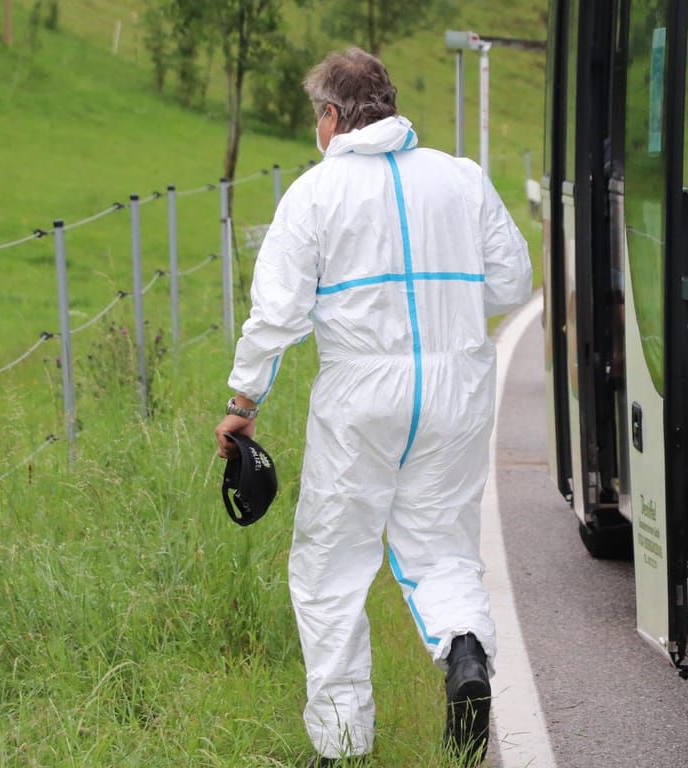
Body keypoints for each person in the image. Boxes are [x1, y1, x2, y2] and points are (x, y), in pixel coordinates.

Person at [213, 47, 532, 766]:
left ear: (331, 116)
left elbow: (277, 314)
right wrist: (448, 318)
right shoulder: (462, 179)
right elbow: (514, 285)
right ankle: (466, 654)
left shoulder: (315, 194)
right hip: (456, 387)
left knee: (331, 565)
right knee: (441, 544)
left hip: (360, 391)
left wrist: (244, 400)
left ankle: (343, 745)